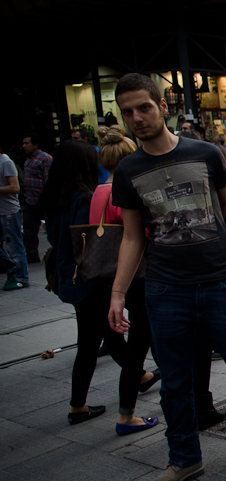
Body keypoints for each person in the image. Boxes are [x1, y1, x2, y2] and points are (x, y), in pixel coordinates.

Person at [108, 73, 226, 481]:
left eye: (144, 107)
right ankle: (184, 458)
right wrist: (118, 294)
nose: (137, 117)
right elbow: (133, 236)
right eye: (128, 112)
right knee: (175, 380)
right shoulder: (129, 170)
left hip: (219, 282)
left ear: (162, 106)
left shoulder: (205, 153)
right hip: (164, 289)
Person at [42, 141, 136, 426]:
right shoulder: (83, 198)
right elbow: (95, 238)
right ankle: (77, 405)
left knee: (106, 331)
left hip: (67, 276)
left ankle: (139, 376)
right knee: (90, 341)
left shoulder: (53, 197)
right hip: (89, 277)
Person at [90, 126, 161, 435]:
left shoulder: (98, 191)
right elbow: (138, 235)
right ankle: (125, 415)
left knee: (148, 341)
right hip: (138, 275)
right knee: (140, 344)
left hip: (113, 275)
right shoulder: (124, 192)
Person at [0, 144, 28, 291]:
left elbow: (15, 187)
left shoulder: (5, 162)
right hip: (2, 211)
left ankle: (21, 276)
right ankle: (11, 268)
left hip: (8, 212)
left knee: (14, 245)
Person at [21, 133, 53, 263]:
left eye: (27, 143)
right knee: (29, 229)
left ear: (35, 144)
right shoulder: (28, 160)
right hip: (30, 201)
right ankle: (32, 255)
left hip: (42, 201)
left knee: (50, 228)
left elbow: (48, 180)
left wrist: (47, 199)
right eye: (23, 143)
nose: (24, 146)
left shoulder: (45, 158)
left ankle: (54, 252)